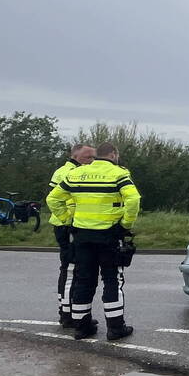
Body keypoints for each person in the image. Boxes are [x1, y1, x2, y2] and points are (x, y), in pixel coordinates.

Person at [46, 142, 141, 340]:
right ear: (113, 154)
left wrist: (66, 220)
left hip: (81, 235)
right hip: (109, 235)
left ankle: (82, 326)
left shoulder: (76, 174)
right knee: (112, 279)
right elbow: (133, 200)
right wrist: (125, 224)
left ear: (97, 155)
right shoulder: (119, 173)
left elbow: (52, 200)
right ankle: (115, 327)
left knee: (83, 279)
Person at [48, 143, 96, 327]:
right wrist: (68, 220)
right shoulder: (66, 172)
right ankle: (66, 314)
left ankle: (71, 311)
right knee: (69, 270)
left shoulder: (76, 171)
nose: (92, 161)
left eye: (93, 157)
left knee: (74, 270)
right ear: (76, 156)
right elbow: (54, 199)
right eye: (88, 157)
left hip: (72, 226)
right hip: (66, 226)